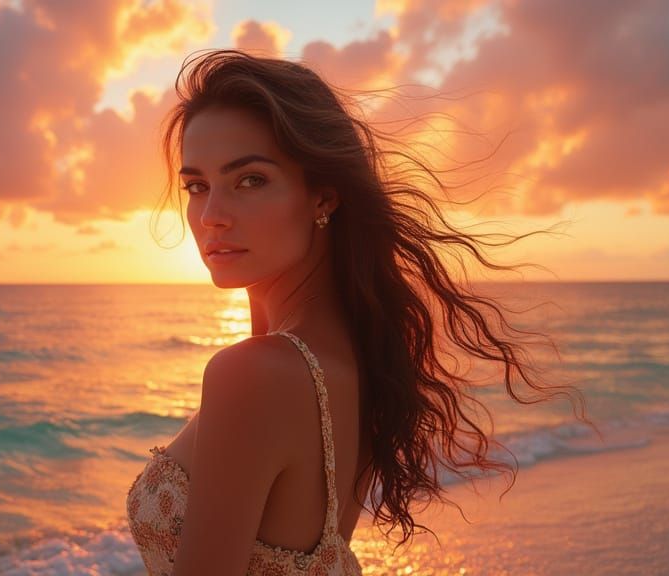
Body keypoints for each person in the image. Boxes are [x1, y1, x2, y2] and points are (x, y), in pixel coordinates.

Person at [126, 49, 591, 575]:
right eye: (197, 186)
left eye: (250, 179)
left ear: (323, 197)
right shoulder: (351, 355)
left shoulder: (253, 374)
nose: (210, 216)